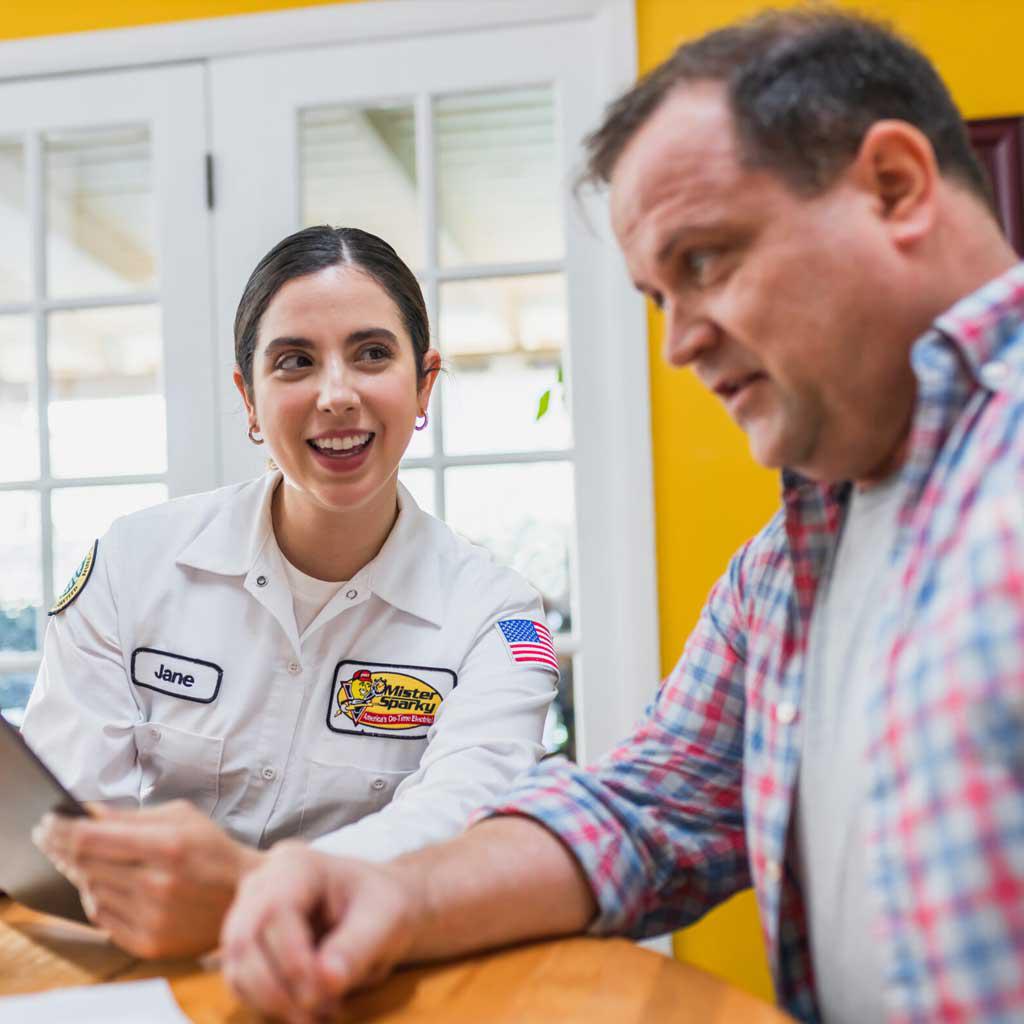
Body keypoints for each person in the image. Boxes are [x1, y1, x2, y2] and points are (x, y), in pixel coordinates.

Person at [219, 10, 1024, 1024]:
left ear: (893, 188)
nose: (679, 344)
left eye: (704, 261)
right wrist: (396, 889)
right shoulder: (781, 570)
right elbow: (645, 810)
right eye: (655, 296)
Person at [23, 226, 559, 958]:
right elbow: (69, 823)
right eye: (294, 361)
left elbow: (463, 813)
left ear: (424, 383)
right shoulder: (132, 565)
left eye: (372, 353)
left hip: (364, 966)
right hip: (146, 964)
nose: (336, 395)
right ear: (248, 398)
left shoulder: (496, 618)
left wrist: (252, 889)